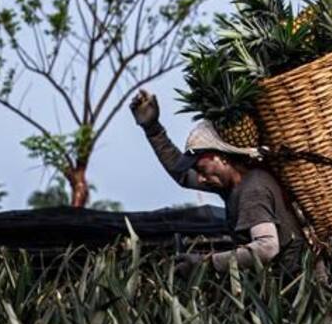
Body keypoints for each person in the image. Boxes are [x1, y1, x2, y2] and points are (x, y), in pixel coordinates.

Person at [130, 89, 306, 274]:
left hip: (295, 288)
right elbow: (182, 174)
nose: (200, 178)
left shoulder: (252, 190)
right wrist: (152, 129)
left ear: (222, 158)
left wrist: (207, 263)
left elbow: (266, 248)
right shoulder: (234, 185)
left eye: (202, 169)